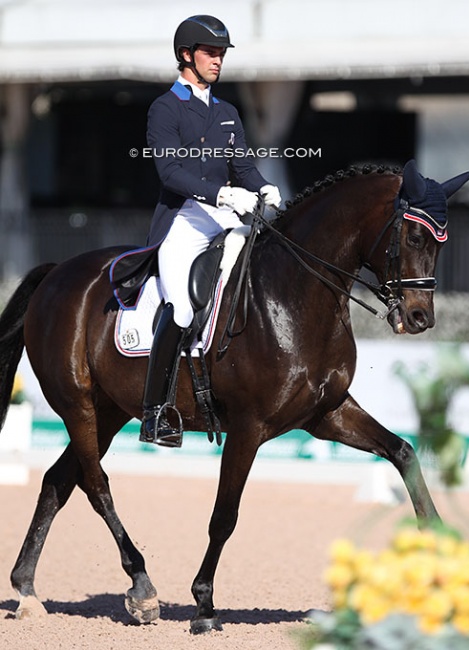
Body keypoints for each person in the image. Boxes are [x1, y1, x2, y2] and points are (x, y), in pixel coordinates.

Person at [136, 15, 281, 446]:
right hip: (183, 219)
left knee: (256, 280)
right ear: (187, 56)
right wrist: (221, 195)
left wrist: (262, 185)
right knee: (181, 309)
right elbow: (169, 171)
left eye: (221, 54)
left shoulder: (227, 111)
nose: (218, 61)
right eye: (211, 53)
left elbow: (243, 167)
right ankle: (155, 412)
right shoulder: (165, 108)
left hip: (225, 217)